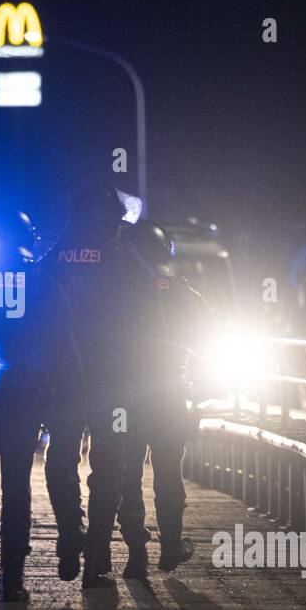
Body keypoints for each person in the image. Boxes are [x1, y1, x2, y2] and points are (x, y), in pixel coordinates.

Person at [0, 209, 84, 601]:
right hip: (24, 404)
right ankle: (13, 577)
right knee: (17, 488)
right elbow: (64, 349)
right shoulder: (45, 286)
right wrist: (70, 399)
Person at [40, 186, 163, 588]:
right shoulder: (125, 260)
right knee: (110, 468)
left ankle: (70, 533)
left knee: (61, 460)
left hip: (64, 381)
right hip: (114, 383)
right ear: (112, 221)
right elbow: (151, 321)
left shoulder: (55, 258)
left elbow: (30, 308)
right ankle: (96, 549)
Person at [117, 221, 208, 573]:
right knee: (168, 472)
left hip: (123, 396)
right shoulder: (182, 292)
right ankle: (171, 545)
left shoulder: (116, 290)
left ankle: (136, 550)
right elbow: (206, 340)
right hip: (169, 395)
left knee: (127, 475)